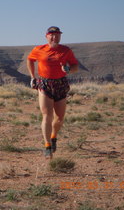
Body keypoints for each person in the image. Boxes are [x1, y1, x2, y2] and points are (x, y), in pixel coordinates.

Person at [27, 26, 79, 158]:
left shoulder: (66, 51)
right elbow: (30, 60)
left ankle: (53, 136)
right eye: (51, 35)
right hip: (45, 83)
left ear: (60, 36)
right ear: (46, 36)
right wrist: (32, 77)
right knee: (47, 115)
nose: (54, 37)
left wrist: (67, 69)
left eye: (57, 35)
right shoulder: (39, 49)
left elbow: (75, 67)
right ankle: (47, 146)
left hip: (60, 84)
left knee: (60, 118)